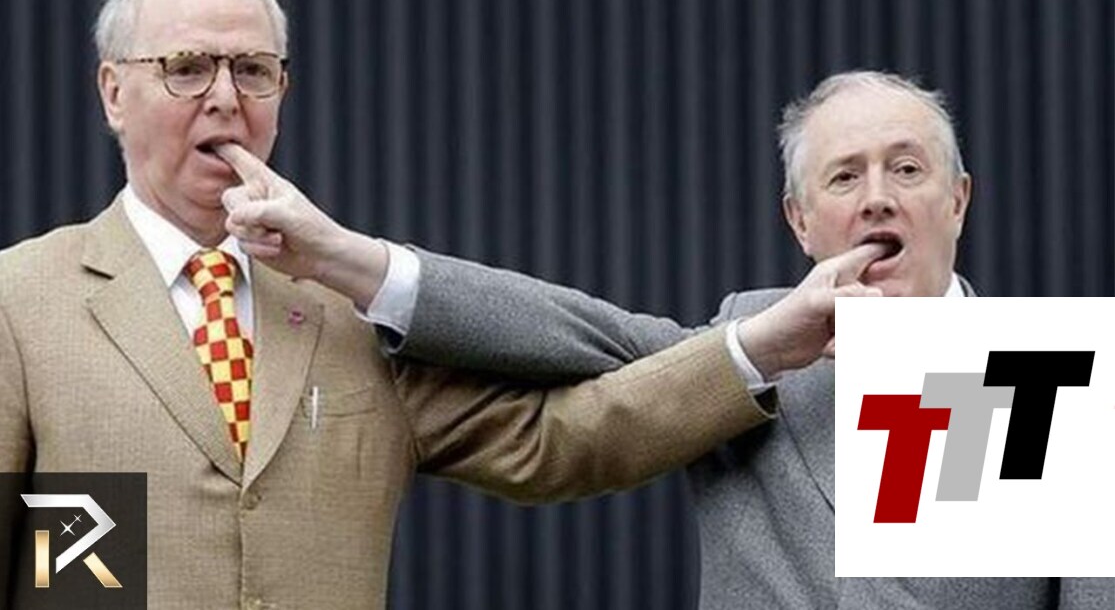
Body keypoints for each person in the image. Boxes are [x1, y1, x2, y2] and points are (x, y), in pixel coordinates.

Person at [0, 0, 884, 608]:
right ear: (113, 92)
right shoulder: (21, 299)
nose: (225, 98)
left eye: (254, 70)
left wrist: (762, 346)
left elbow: (564, 439)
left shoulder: (343, 307)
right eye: (188, 67)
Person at [227, 71, 1113, 608]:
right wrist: (346, 258)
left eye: (906, 168)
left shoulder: (1042, 375)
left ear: (956, 199)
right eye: (844, 177)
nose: (877, 196)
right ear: (800, 221)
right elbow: (577, 331)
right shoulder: (759, 338)